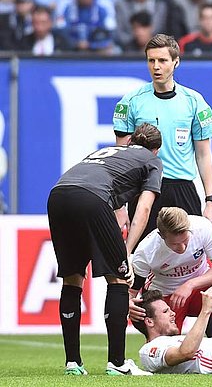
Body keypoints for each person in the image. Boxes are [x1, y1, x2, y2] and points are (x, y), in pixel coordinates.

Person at [47, 123, 163, 376]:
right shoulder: (152, 161)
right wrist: (127, 252)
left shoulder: (110, 152)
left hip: (58, 195)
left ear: (130, 140)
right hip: (91, 198)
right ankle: (118, 363)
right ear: (156, 150)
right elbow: (143, 209)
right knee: (119, 278)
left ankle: (73, 363)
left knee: (72, 279)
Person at [113, 33, 212, 244]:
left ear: (176, 62)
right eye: (151, 60)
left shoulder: (194, 102)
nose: (156, 67)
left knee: (187, 257)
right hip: (143, 188)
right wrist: (119, 206)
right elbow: (122, 160)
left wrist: (211, 202)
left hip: (181, 188)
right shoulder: (131, 102)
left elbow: (204, 154)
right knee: (141, 259)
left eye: (162, 60)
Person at [129, 207, 212, 337]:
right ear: (161, 236)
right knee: (169, 352)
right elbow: (131, 292)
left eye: (185, 240)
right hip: (165, 297)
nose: (182, 247)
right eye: (175, 244)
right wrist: (129, 303)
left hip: (200, 290)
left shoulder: (202, 227)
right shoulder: (146, 251)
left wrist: (190, 284)